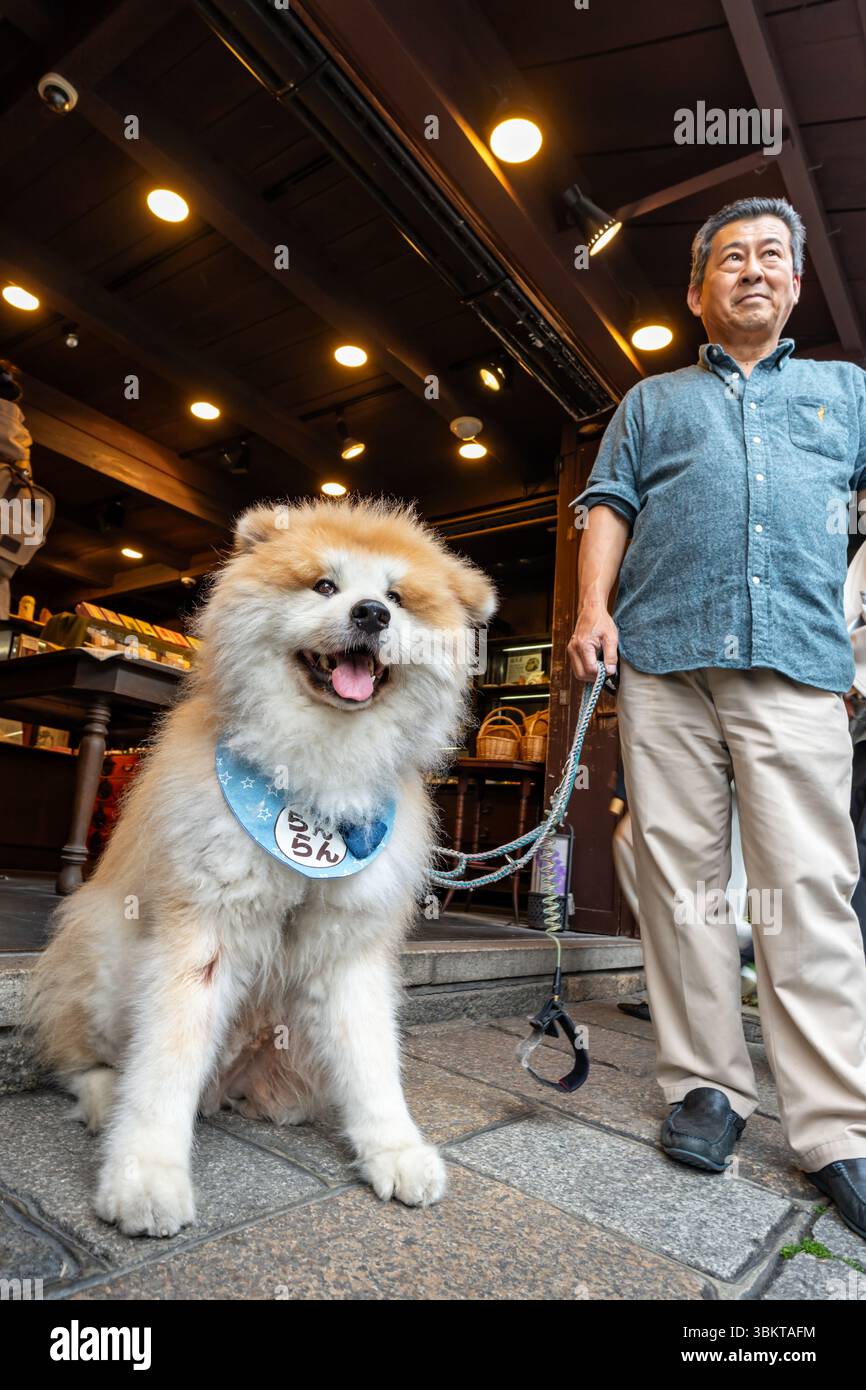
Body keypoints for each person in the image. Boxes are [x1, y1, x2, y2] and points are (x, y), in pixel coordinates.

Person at [567, 196, 866, 1243]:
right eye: (729, 257)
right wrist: (592, 610)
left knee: (807, 892)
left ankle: (835, 1128)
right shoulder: (651, 402)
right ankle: (706, 1088)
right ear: (696, 291)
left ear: (792, 285)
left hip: (795, 664)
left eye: (770, 256)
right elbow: (606, 501)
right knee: (681, 885)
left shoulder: (845, 392)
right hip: (662, 664)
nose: (752, 268)